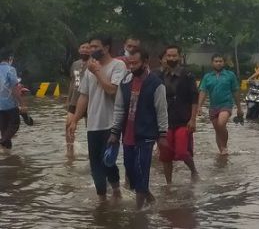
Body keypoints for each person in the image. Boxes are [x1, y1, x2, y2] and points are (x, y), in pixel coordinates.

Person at [68, 35, 128, 201]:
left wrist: (97, 72)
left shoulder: (118, 65)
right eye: (90, 46)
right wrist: (75, 120)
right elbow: (84, 96)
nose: (91, 50)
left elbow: (112, 91)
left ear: (106, 48)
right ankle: (102, 199)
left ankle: (116, 190)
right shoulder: (89, 68)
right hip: (93, 124)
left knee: (107, 161)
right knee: (95, 165)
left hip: (112, 123)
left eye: (95, 47)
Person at [108, 49, 168, 210]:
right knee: (130, 170)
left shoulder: (156, 84)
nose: (132, 66)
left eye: (136, 63)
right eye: (130, 63)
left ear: (145, 62)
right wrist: (114, 132)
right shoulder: (125, 83)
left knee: (142, 170)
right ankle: (147, 195)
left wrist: (163, 134)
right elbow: (119, 108)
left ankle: (138, 210)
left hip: (146, 135)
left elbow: (161, 111)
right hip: (127, 135)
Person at [155, 45, 200, 184]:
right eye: (169, 56)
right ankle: (169, 183)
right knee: (166, 155)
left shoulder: (188, 75)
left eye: (174, 56)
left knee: (181, 152)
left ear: (180, 57)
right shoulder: (159, 75)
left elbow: (194, 98)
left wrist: (193, 119)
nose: (171, 58)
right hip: (165, 121)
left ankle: (193, 170)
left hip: (183, 120)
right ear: (165, 57)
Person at [198, 54, 243, 155]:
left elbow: (235, 91)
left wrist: (239, 108)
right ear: (212, 63)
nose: (218, 63)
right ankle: (222, 152)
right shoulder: (207, 77)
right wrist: (199, 106)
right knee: (217, 129)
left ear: (224, 63)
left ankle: (224, 146)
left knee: (221, 124)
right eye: (216, 61)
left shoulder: (230, 75)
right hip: (213, 106)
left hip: (226, 104)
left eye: (220, 61)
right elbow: (203, 91)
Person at [66, 42, 90, 155]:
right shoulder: (75, 64)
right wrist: (69, 98)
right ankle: (70, 152)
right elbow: (72, 82)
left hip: (89, 102)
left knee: (90, 129)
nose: (85, 50)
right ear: (79, 50)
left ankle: (92, 152)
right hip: (75, 100)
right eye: (83, 47)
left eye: (87, 48)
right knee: (68, 125)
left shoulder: (94, 64)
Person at [0, 48, 26, 150]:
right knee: (14, 125)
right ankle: (2, 142)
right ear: (10, 58)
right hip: (10, 104)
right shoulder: (11, 69)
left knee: (4, 130)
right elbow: (15, 89)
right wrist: (22, 104)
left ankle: (7, 160)